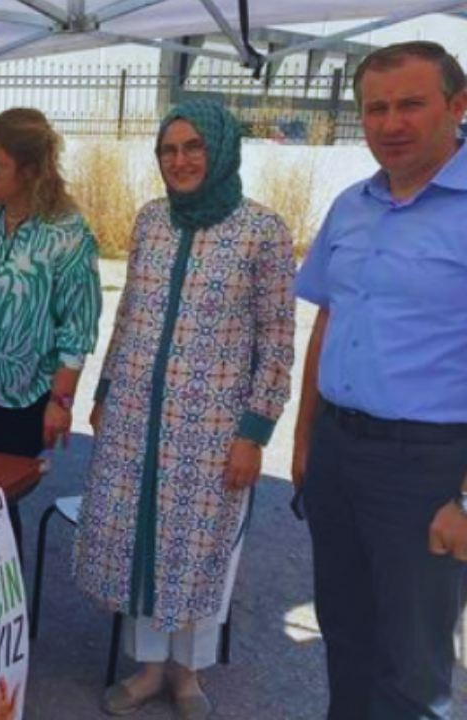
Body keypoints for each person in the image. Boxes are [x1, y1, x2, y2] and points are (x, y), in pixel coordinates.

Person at [74, 100, 296, 720]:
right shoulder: (150, 221)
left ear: (221, 149)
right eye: (169, 150)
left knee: (200, 548)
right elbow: (130, 315)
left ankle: (189, 674)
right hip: (134, 419)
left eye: (194, 146)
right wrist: (106, 390)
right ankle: (149, 668)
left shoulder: (263, 231)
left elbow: (277, 340)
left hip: (214, 428)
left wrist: (255, 430)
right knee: (140, 539)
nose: (180, 160)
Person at [292, 41, 467, 720]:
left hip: (427, 466)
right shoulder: (351, 205)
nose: (391, 123)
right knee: (347, 636)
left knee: (412, 667)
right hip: (338, 451)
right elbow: (326, 322)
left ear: (457, 105)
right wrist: (306, 441)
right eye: (376, 109)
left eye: (410, 105)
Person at [0, 108, 101, 536]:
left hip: (19, 398)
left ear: (30, 170)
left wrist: (61, 403)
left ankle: (1, 597)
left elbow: (77, 329)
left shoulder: (69, 236)